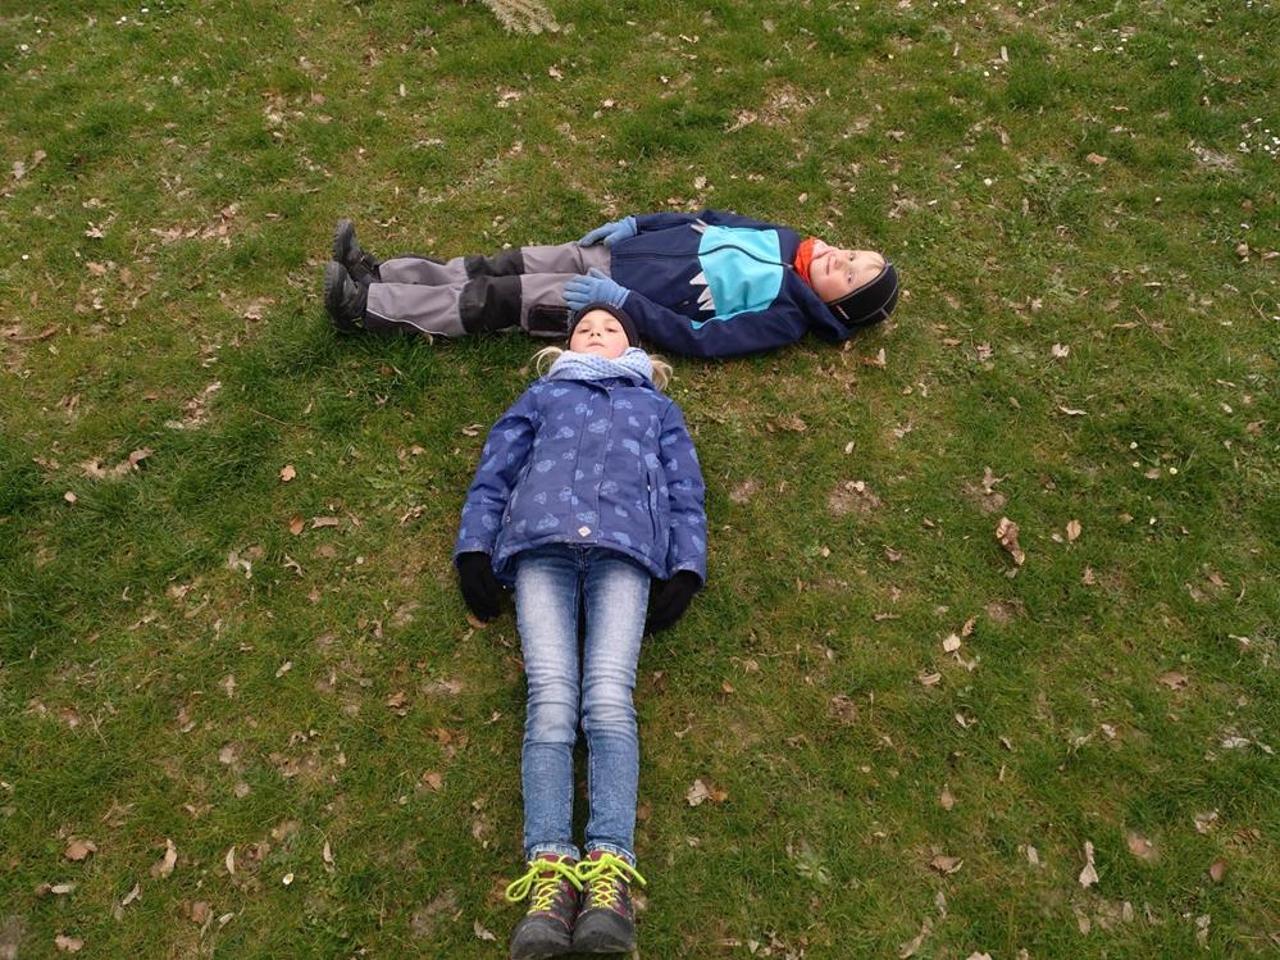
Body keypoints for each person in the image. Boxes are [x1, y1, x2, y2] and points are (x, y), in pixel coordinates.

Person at [453, 302, 707, 958]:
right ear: (566, 348)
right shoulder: (542, 396)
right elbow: (494, 473)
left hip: (625, 553)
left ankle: (608, 876)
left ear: (634, 347)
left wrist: (686, 567)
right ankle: (549, 874)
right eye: (584, 329)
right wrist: (474, 549)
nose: (595, 334)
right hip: (540, 550)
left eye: (609, 329)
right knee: (551, 701)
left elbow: (685, 491)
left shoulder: (657, 409)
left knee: (608, 700)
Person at [323, 210, 898, 358]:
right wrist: (639, 225)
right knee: (498, 265)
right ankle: (381, 273)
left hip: (602, 301)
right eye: (852, 256)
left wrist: (624, 304)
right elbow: (705, 219)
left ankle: (367, 308)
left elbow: (703, 339)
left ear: (840, 309)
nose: (841, 262)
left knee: (496, 299)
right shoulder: (784, 238)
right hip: (607, 253)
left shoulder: (787, 316)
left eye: (850, 278)